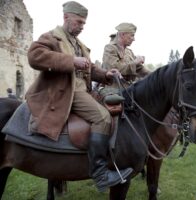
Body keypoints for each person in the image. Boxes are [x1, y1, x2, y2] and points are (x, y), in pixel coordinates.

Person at [25, 1, 132, 192]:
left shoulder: (78, 44)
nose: (82, 27)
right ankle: (100, 174)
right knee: (103, 117)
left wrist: (106, 74)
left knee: (118, 108)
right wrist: (71, 61)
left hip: (85, 91)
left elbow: (89, 68)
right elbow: (34, 56)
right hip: (68, 92)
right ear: (66, 17)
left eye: (84, 23)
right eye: (79, 22)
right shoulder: (52, 37)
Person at [102, 22, 150, 88]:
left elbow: (140, 69)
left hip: (129, 89)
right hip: (114, 89)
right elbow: (114, 69)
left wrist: (156, 75)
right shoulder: (110, 48)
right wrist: (135, 62)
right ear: (122, 34)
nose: (134, 39)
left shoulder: (129, 52)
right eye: (132, 35)